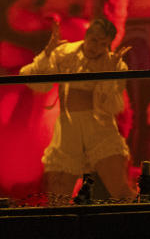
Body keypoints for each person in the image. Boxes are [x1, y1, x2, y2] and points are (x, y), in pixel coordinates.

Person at [20, 16, 134, 203]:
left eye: (103, 44)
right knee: (57, 199)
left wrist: (109, 76)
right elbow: (36, 82)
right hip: (68, 131)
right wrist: (47, 53)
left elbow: (113, 106)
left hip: (100, 131)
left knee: (120, 191)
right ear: (87, 36)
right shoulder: (65, 53)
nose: (96, 47)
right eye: (94, 40)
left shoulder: (113, 63)